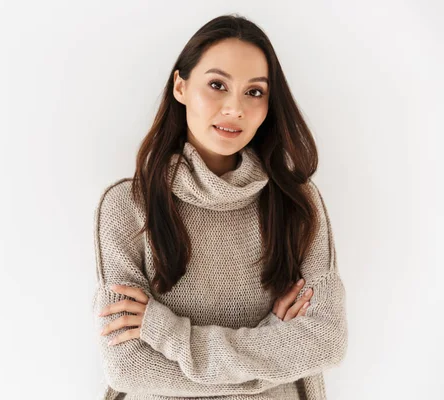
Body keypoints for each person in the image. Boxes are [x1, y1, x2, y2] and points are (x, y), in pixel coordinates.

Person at [92, 13, 348, 400]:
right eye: (217, 85)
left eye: (255, 92)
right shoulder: (127, 207)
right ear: (181, 86)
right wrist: (272, 348)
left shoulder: (297, 203)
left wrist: (164, 332)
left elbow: (325, 342)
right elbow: (128, 368)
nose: (235, 108)